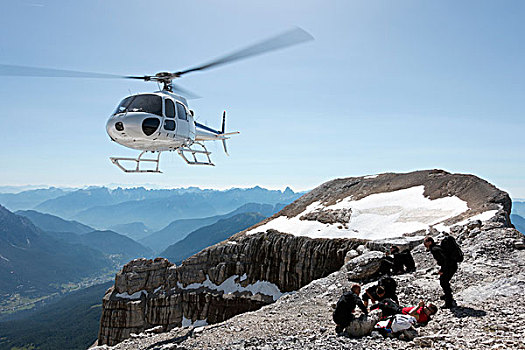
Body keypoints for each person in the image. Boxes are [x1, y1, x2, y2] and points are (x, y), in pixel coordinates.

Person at [423, 236, 458, 308]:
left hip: (450, 267)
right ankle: (448, 295)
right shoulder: (436, 247)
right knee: (444, 280)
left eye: (425, 242)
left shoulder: (434, 249)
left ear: (430, 242)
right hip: (452, 266)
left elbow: (445, 260)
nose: (424, 244)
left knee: (443, 282)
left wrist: (442, 270)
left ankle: (449, 302)